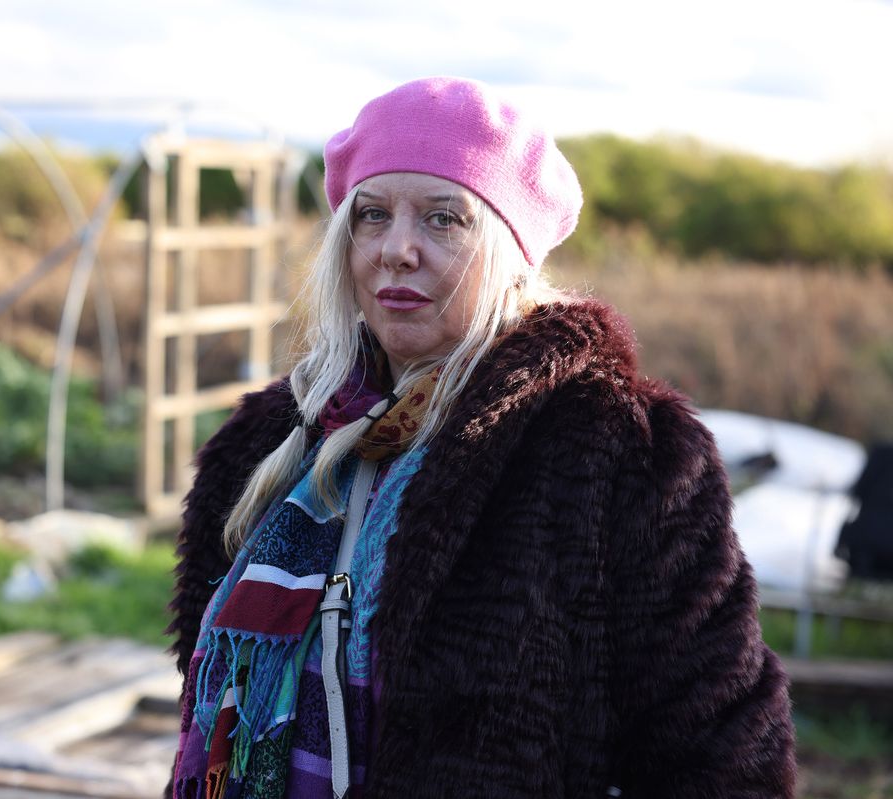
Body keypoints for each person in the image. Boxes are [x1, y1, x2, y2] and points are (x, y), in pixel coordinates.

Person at [167, 77, 796, 798]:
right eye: (372, 216)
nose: (397, 250)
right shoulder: (271, 442)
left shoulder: (616, 450)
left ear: (508, 249)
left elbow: (721, 747)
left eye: (443, 219)